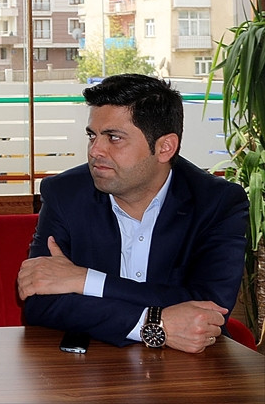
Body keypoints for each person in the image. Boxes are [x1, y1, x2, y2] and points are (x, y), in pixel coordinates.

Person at [18, 74, 249, 352]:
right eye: (92, 136)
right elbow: (39, 301)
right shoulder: (65, 193)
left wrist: (84, 280)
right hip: (93, 367)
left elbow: (211, 309)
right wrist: (152, 324)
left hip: (190, 366)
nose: (95, 150)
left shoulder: (217, 202)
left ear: (165, 147)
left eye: (114, 138)